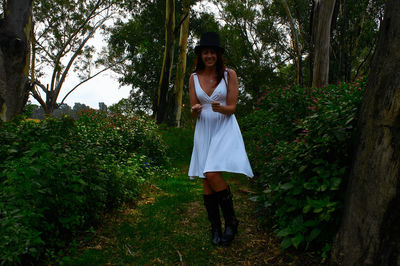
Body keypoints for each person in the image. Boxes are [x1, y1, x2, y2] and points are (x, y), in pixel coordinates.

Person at [188, 32, 254, 246]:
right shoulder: (193, 78)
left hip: (224, 126)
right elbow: (193, 108)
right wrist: (196, 110)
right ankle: (215, 227)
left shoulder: (229, 75)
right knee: (206, 180)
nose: (209, 56)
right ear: (200, 55)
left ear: (218, 54)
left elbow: (233, 108)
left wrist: (221, 108)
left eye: (212, 52)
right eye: (205, 52)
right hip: (204, 127)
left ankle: (231, 222)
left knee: (211, 172)